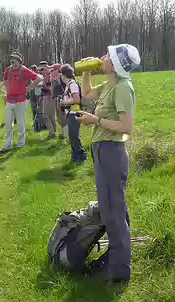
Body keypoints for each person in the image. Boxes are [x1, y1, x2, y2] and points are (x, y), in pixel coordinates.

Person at [77, 44, 141, 284]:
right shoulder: (110, 85)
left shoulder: (123, 87)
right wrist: (85, 71)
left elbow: (126, 126)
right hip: (103, 151)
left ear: (114, 63)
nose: (101, 57)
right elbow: (87, 95)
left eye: (106, 55)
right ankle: (116, 260)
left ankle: (119, 271)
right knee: (113, 209)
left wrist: (96, 120)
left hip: (112, 152)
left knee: (113, 212)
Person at [0, 52, 41, 153]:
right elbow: (5, 80)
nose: (14, 63)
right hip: (9, 100)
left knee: (21, 123)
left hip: (20, 100)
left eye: (16, 61)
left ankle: (20, 144)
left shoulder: (25, 70)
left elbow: (38, 78)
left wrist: (30, 88)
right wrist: (4, 89)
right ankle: (7, 145)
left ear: (19, 61)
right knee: (8, 124)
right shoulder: (8, 70)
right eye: (12, 61)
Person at [59, 64, 87, 164]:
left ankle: (80, 156)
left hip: (74, 113)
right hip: (71, 113)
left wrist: (64, 102)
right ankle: (76, 155)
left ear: (64, 75)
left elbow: (76, 99)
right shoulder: (69, 84)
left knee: (74, 136)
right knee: (73, 136)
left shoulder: (72, 84)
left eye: (61, 75)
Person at [37, 61, 56, 140]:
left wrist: (44, 87)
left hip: (50, 97)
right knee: (51, 116)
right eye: (40, 70)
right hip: (45, 96)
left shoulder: (51, 76)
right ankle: (53, 133)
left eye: (42, 69)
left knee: (46, 116)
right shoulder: (43, 77)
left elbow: (52, 89)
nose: (41, 71)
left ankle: (52, 133)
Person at [50, 63, 68, 140]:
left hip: (61, 98)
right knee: (59, 117)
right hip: (55, 98)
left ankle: (66, 135)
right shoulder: (53, 79)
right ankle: (63, 133)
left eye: (52, 70)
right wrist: (52, 82)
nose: (51, 72)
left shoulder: (62, 78)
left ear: (57, 70)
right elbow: (52, 90)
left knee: (62, 116)